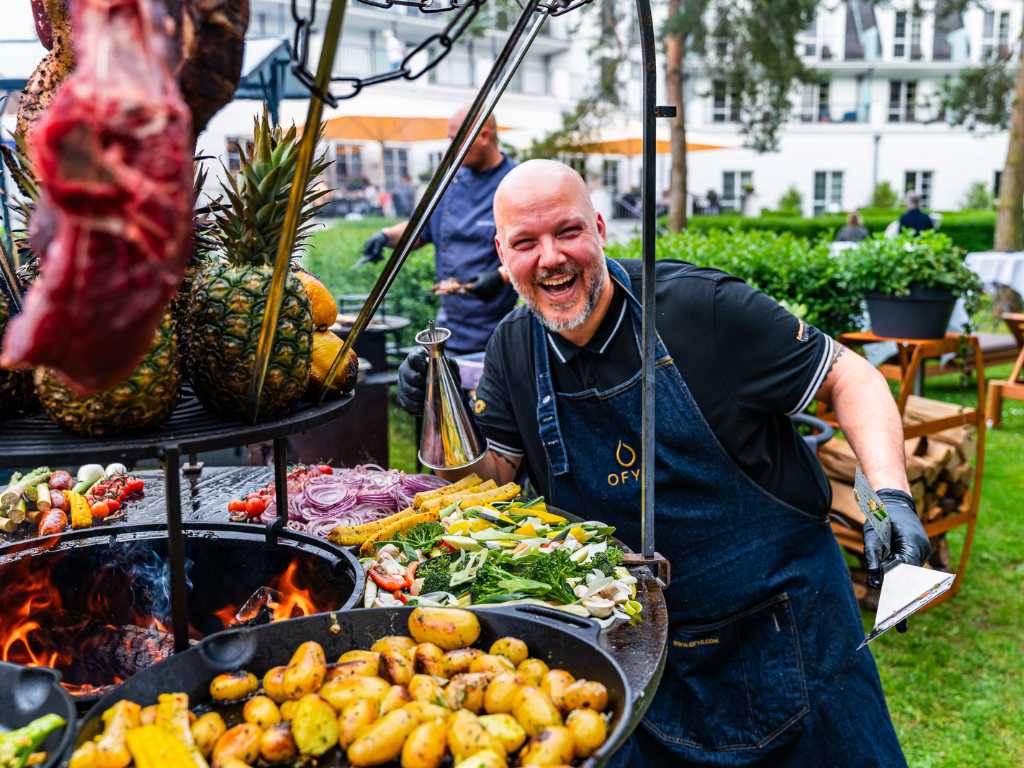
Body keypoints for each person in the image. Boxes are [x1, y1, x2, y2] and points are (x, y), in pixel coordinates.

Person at [396, 160, 928, 767]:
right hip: (634, 647)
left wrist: (891, 498)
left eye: (567, 232)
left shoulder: (701, 308)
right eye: (525, 242)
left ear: (599, 228)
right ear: (501, 254)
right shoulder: (513, 347)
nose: (550, 258)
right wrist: (440, 421)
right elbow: (493, 479)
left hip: (786, 631)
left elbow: (848, 376)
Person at [361, 106, 517, 355]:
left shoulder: (515, 183)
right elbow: (421, 231)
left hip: (498, 331)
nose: (451, 147)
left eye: (457, 139)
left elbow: (531, 249)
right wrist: (385, 236)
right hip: (450, 326)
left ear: (484, 136)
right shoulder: (450, 181)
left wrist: (501, 276)